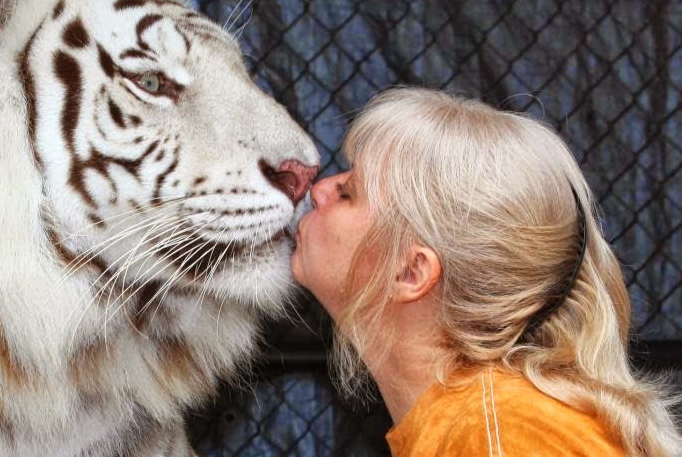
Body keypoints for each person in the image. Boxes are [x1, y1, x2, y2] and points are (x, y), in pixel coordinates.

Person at [291, 87, 680, 456]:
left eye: (348, 192)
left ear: (411, 272)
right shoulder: (488, 420)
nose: (319, 190)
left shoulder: (499, 435)